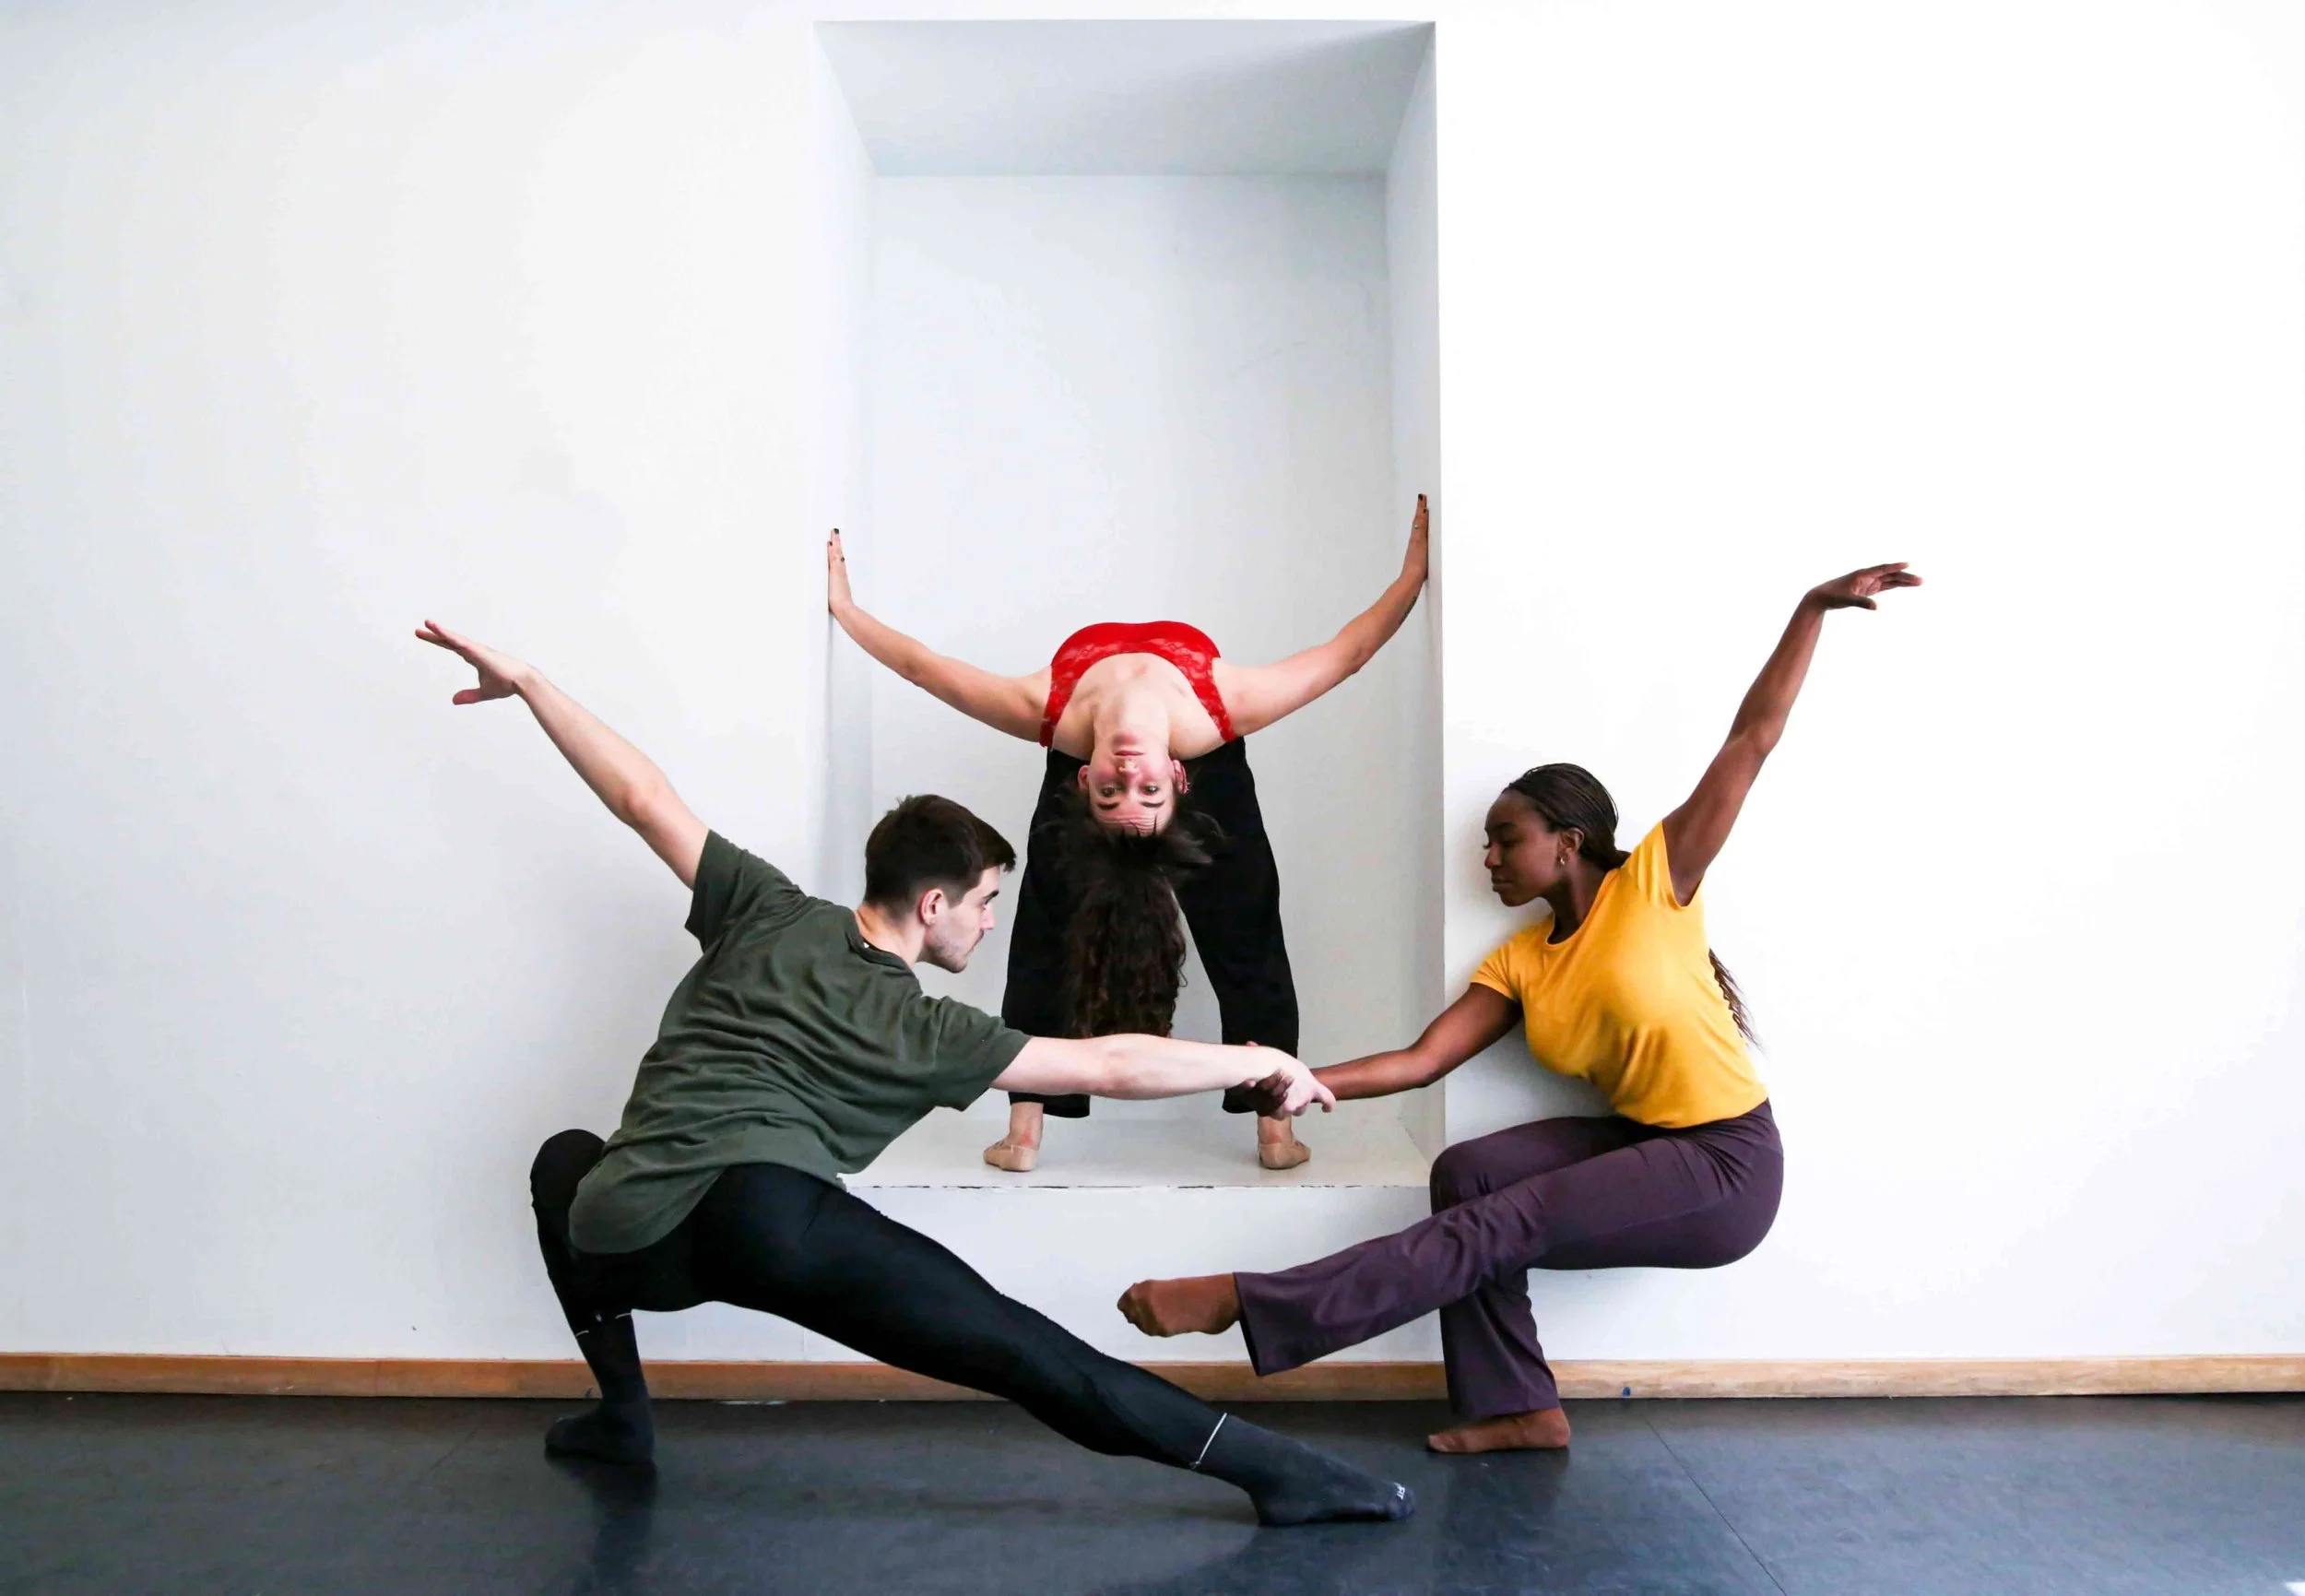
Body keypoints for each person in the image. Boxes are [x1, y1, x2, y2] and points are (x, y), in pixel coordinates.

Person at [414, 621, 1413, 1528]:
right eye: (981, 902)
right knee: (1029, 1353)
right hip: (766, 1223)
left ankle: (620, 1418)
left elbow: (641, 799)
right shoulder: (926, 1025)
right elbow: (1111, 1063)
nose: (988, 921)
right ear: (931, 904)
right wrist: (1258, 1059)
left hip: (625, 1232)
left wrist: (535, 682)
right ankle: (1280, 1474)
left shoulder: (763, 906)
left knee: (563, 1160)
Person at [1113, 562, 1922, 1453]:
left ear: (1567, 843)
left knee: (1503, 1221)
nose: (1491, 859)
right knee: (1470, 1176)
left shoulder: (1656, 880)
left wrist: (1810, 610)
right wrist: (1297, 1078)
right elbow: (1421, 1060)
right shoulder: (1522, 960)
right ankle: (1517, 1405)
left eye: (1507, 840)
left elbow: (1751, 739)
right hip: (1651, 1142)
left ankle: (1248, 1299)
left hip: (1727, 1165)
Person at [825, 497, 1430, 1173]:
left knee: (1245, 932)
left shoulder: (1047, 712)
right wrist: (1409, 578)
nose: (1129, 774)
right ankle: (1024, 1130)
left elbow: (923, 667)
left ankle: (1274, 1126)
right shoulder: (1223, 706)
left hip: (1191, 764)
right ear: (1169, 779)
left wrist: (848, 611)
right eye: (1134, 788)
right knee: (1047, 934)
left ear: (1099, 780)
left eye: (1124, 788)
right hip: (1200, 746)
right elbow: (1345, 655)